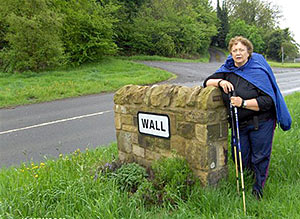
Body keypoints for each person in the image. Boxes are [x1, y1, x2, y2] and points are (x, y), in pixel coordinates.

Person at [203, 36, 292, 200]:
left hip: (262, 122)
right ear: (230, 53)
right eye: (235, 50)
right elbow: (207, 82)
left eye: (241, 50)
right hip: (239, 124)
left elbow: (267, 101)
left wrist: (243, 103)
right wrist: (221, 81)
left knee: (259, 157)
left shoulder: (257, 70)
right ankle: (249, 178)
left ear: (248, 52)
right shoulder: (228, 69)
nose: (238, 53)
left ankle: (258, 190)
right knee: (240, 156)